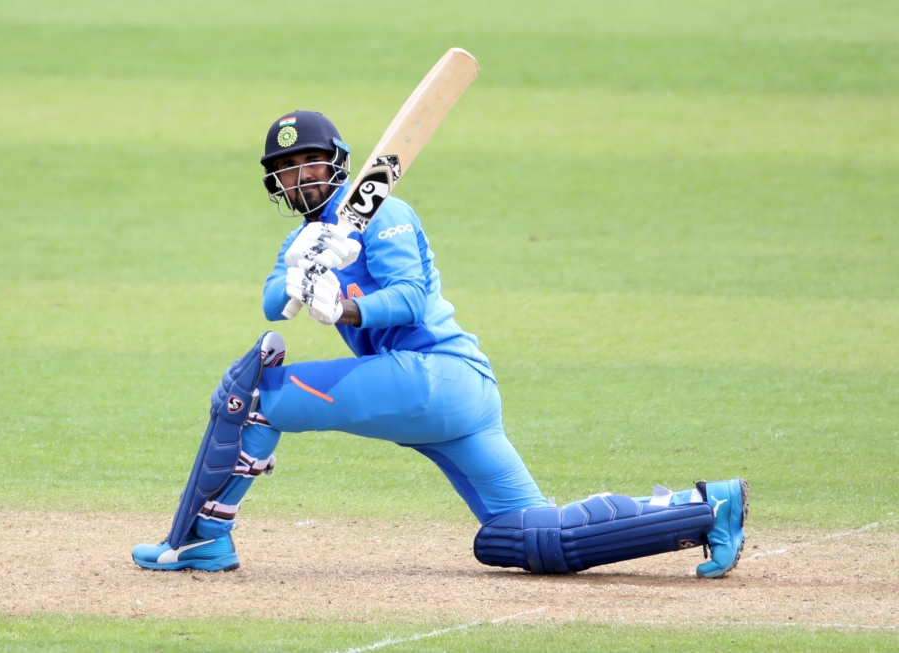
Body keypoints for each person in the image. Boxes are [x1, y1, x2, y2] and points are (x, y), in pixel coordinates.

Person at [132, 111, 748, 578]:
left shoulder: (386, 213)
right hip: (447, 399)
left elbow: (409, 299)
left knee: (257, 395)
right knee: (528, 537)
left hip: (433, 374)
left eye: (311, 164)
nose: (300, 178)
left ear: (338, 164)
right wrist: (301, 276)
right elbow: (273, 302)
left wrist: (345, 304)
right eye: (287, 170)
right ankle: (702, 509)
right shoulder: (310, 240)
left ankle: (205, 537)